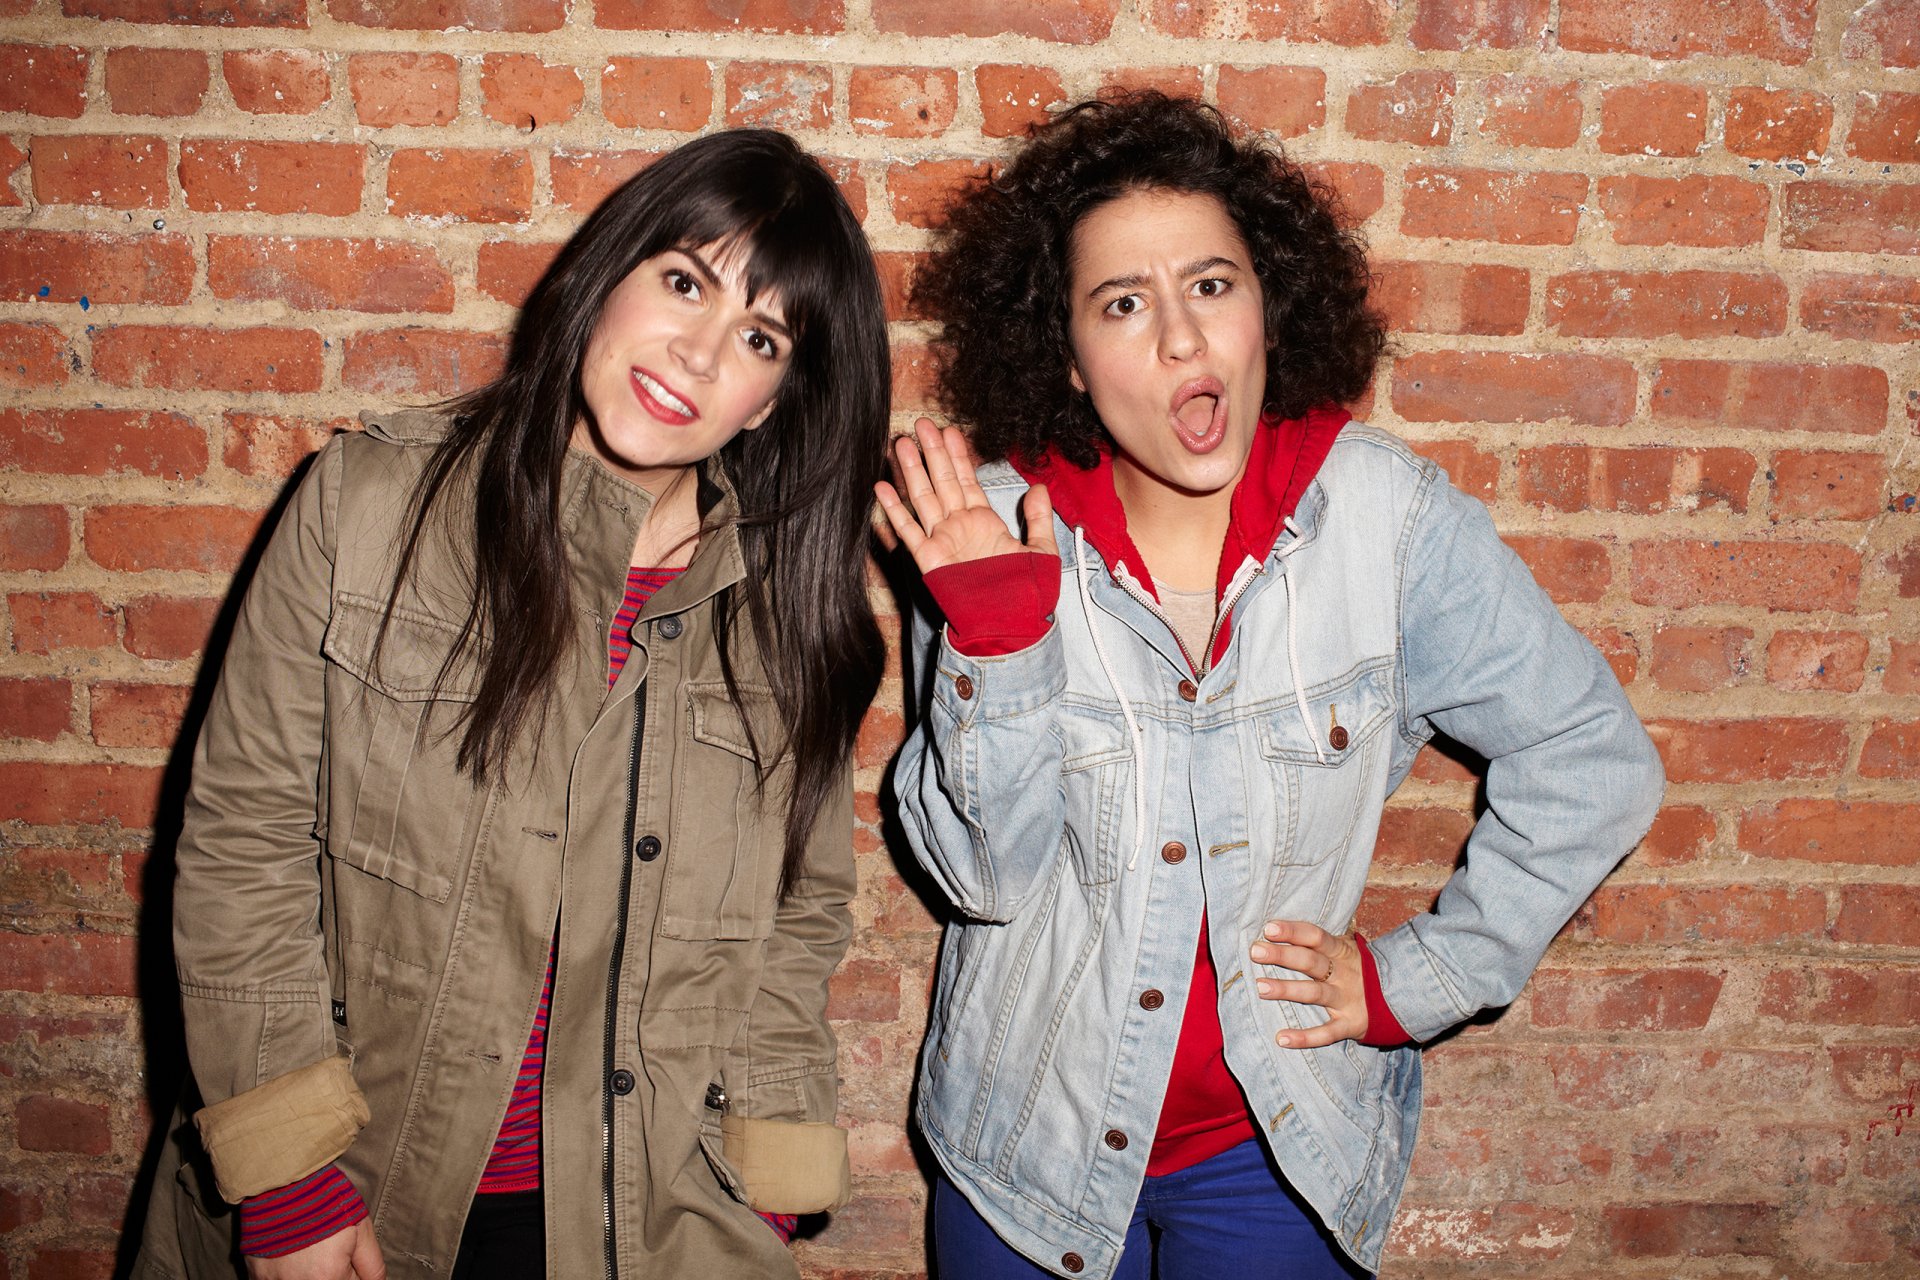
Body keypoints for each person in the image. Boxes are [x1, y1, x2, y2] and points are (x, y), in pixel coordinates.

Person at [877, 93, 1665, 1280]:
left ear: (1268, 306)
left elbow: (1591, 757)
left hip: (1278, 1154)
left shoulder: (1388, 523)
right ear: (1072, 361)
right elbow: (983, 877)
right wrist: (999, 635)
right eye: (1125, 304)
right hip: (1024, 1148)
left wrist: (1414, 980)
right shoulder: (983, 528)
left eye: (1212, 284)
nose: (1185, 342)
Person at [134, 129, 890, 1280]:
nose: (695, 351)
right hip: (366, 1186)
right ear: (609, 272)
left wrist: (762, 1188)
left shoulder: (787, 621)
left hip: (657, 1217)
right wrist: (287, 1173)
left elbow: (796, 919)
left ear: (770, 402)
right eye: (683, 281)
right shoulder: (370, 506)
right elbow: (246, 837)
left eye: (758, 336)